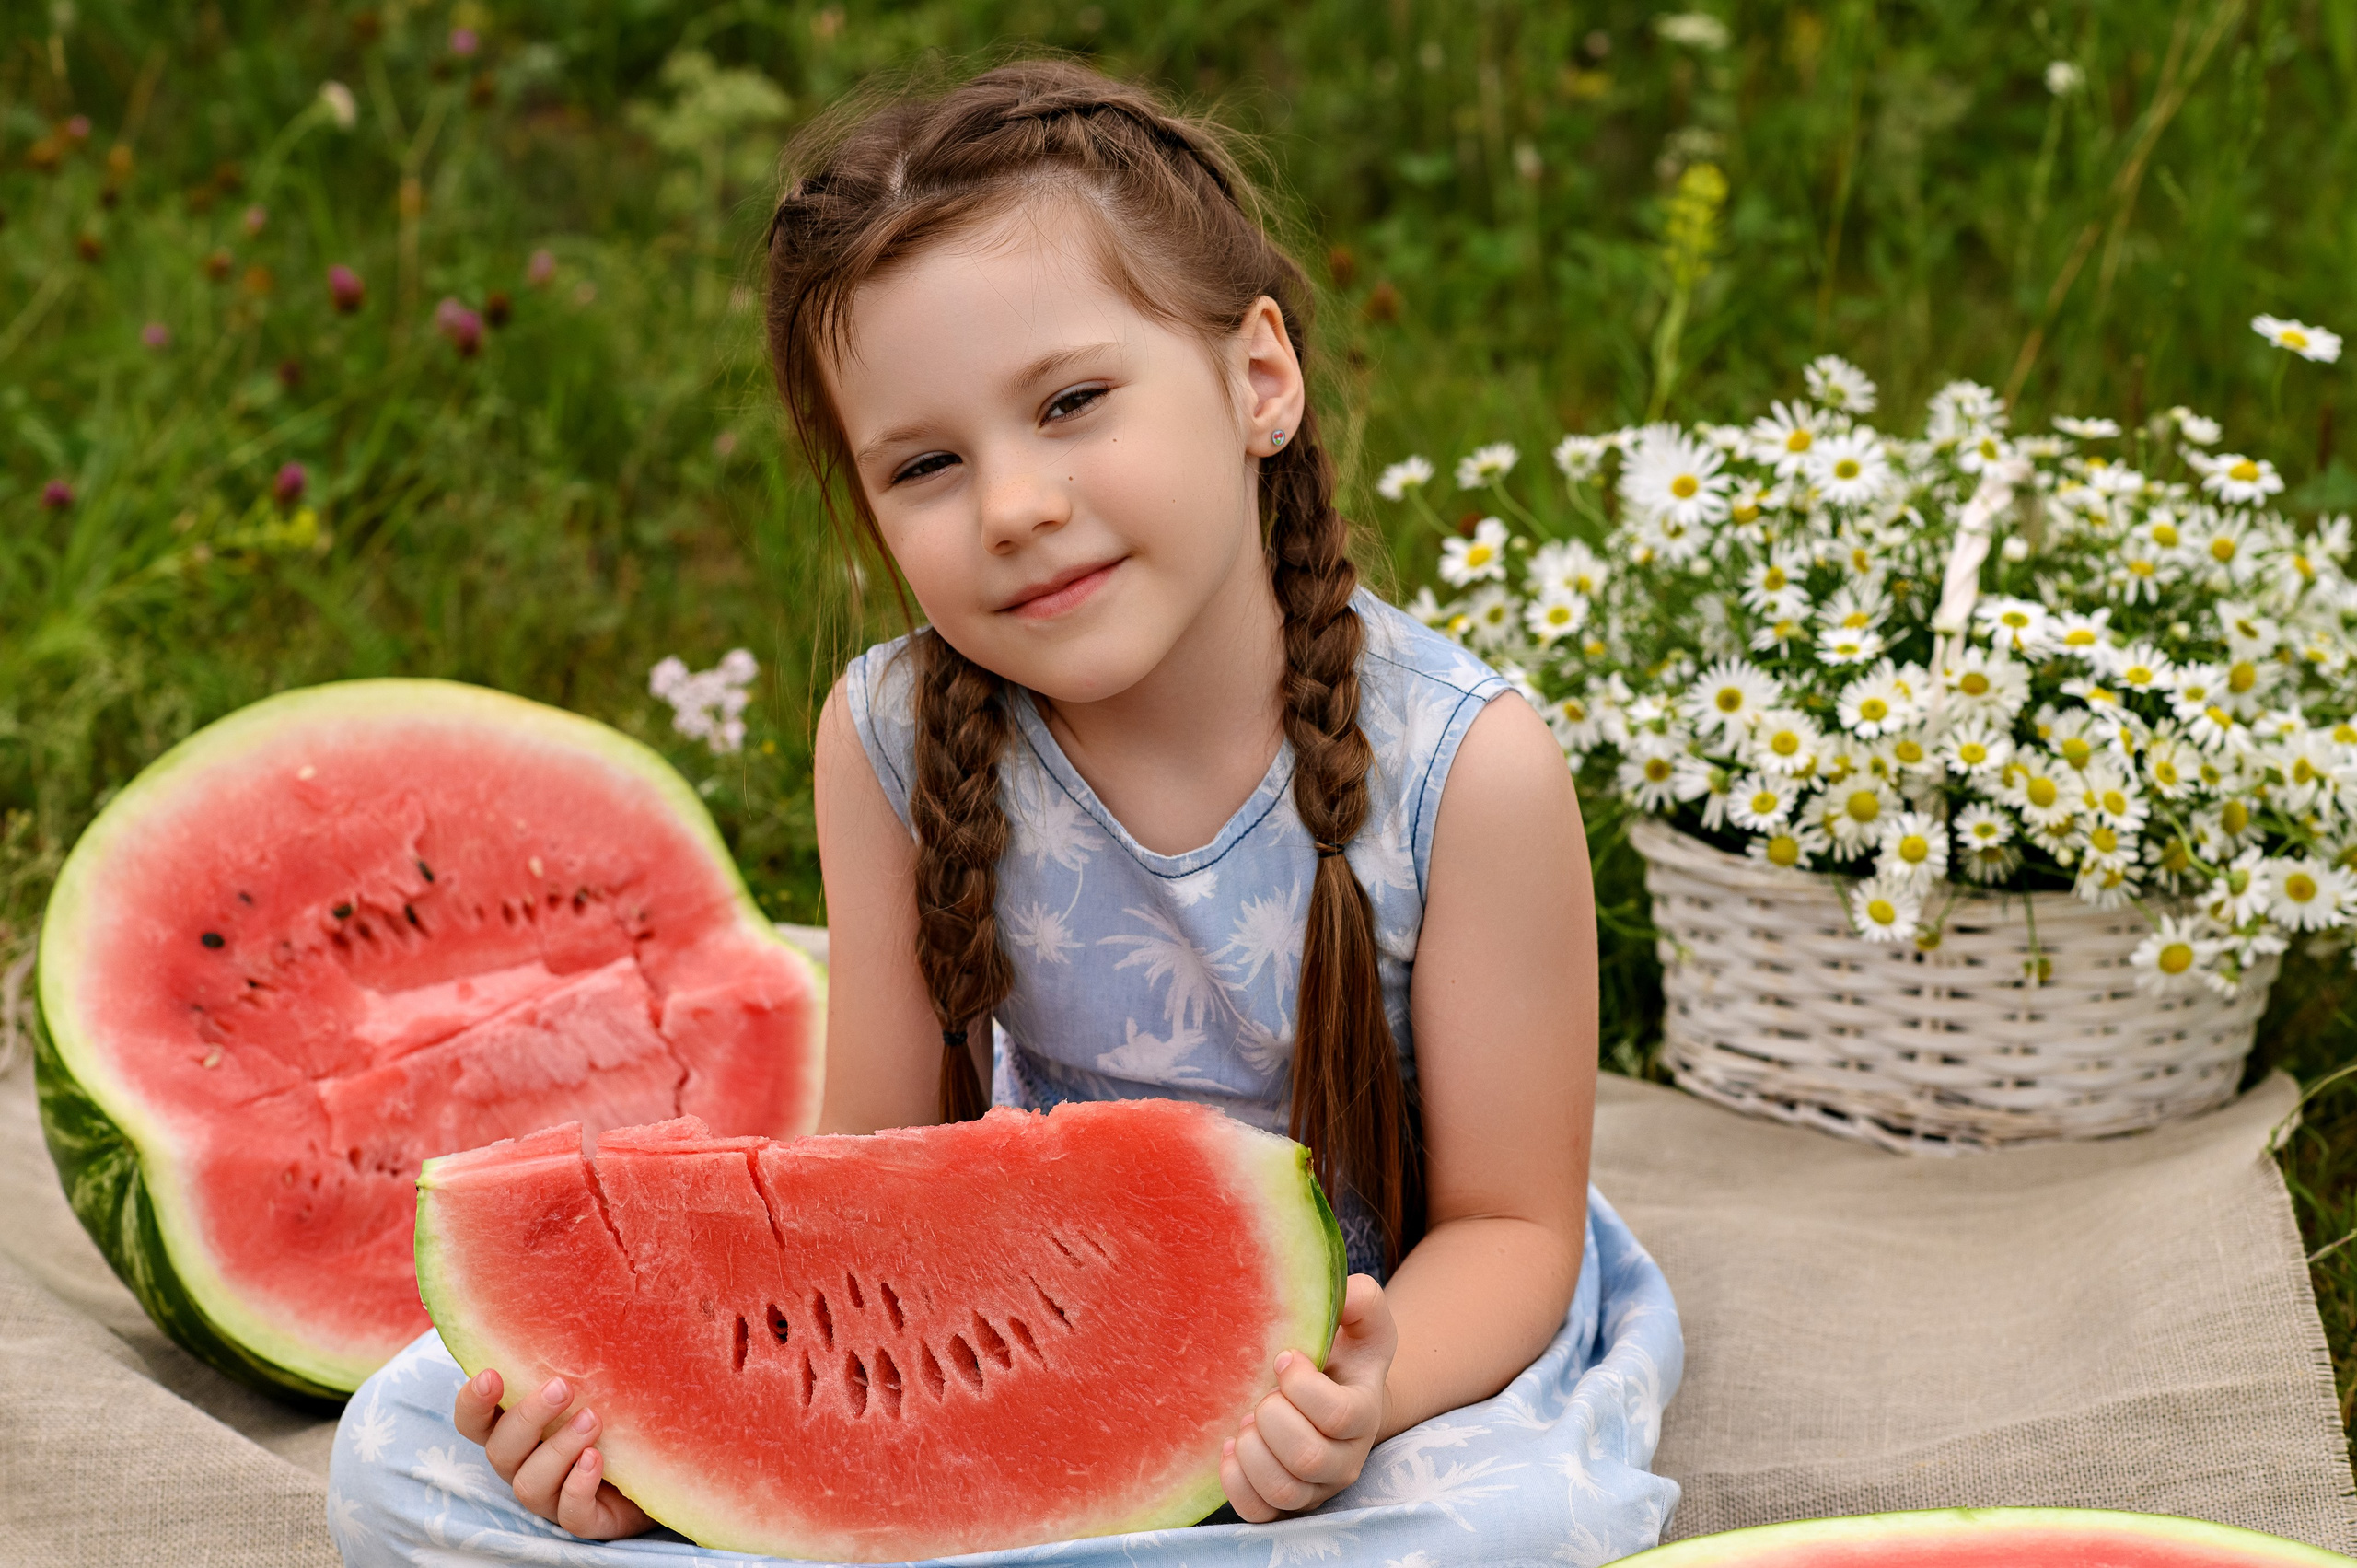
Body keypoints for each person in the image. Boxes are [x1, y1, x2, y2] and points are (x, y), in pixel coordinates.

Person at [330, 58, 1680, 1567]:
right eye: (925, 465)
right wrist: (676, 1444)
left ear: (1260, 380)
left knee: (1508, 1526)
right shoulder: (890, 740)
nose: (1015, 505)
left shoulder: (1466, 768)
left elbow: (1513, 1236)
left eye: (1072, 403)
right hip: (1003, 1325)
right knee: (399, 1454)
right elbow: (864, 1190)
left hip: (1388, 1339)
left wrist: (1370, 1392)